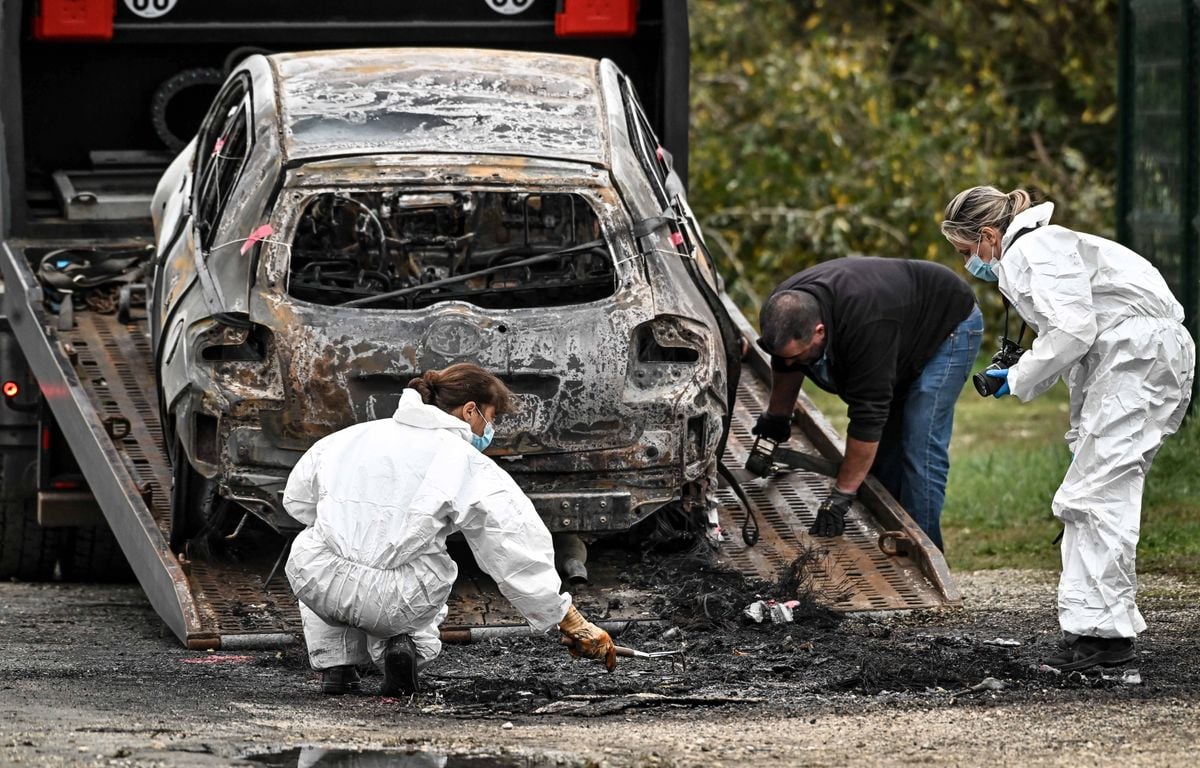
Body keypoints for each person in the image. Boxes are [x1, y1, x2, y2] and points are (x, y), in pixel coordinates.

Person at [941, 186, 1195, 671]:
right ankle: (1089, 629)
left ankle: (1104, 638)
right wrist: (1021, 376)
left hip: (1135, 359)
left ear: (989, 235)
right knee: (1094, 489)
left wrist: (1017, 376)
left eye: (967, 251)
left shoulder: (1031, 251)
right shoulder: (1045, 246)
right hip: (1134, 357)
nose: (970, 262)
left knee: (1096, 494)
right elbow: (1076, 331)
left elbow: (1072, 331)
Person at [283, 363, 616, 696]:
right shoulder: (467, 463)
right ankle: (402, 647)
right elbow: (514, 546)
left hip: (317, 579)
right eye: (492, 417)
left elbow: (297, 502)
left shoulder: (353, 437)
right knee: (429, 569)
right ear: (470, 410)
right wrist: (566, 617)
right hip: (393, 600)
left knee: (316, 542)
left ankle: (336, 667)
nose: (491, 428)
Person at [753, 256, 981, 551]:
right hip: (899, 322)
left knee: (919, 442)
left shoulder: (866, 326)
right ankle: (893, 533)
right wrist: (777, 417)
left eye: (798, 355)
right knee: (885, 454)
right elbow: (785, 362)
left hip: (949, 325)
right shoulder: (783, 307)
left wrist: (841, 496)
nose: (791, 362)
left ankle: (923, 552)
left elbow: (868, 415)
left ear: (819, 331)